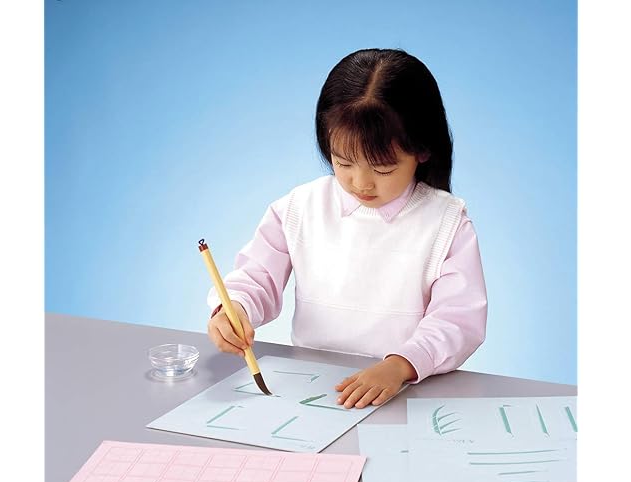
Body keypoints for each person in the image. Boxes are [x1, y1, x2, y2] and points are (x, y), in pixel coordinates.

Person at [207, 48, 487, 409]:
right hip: (311, 391)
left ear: (422, 150)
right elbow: (256, 276)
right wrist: (235, 309)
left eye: (383, 168)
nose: (361, 183)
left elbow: (458, 319)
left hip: (404, 391)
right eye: (344, 163)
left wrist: (400, 365)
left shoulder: (446, 222)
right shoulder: (299, 207)